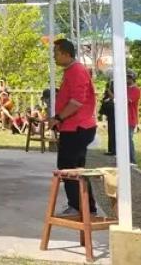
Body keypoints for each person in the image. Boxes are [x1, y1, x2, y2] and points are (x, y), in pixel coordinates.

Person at [50, 39, 98, 216]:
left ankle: (78, 206)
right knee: (76, 168)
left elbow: (77, 102)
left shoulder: (77, 71)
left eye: (56, 52)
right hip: (73, 127)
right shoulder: (71, 71)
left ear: (65, 53)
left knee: (68, 167)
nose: (54, 56)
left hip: (77, 127)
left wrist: (58, 118)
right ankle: (86, 207)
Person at [98, 82, 116, 156]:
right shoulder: (108, 93)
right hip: (110, 116)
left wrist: (109, 91)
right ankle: (111, 149)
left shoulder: (117, 90)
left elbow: (114, 98)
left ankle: (113, 150)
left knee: (113, 133)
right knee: (111, 133)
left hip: (115, 116)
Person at [126, 70, 139, 165]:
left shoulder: (136, 90)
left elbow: (127, 100)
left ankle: (132, 160)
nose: (127, 79)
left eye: (129, 77)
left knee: (129, 139)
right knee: (124, 139)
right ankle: (125, 159)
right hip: (124, 118)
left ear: (133, 78)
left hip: (131, 118)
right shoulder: (126, 88)